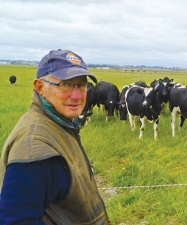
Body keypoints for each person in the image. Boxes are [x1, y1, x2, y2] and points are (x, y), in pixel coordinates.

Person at [0, 49, 110, 224]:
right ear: (40, 87)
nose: (76, 96)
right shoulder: (34, 145)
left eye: (81, 85)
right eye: (65, 84)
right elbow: (15, 219)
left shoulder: (60, 124)